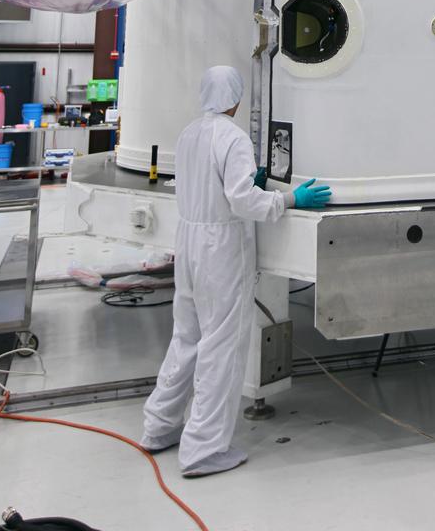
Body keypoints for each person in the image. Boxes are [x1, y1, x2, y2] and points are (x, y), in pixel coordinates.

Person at [140, 65, 332, 477]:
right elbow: (242, 203)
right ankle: (203, 451)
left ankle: (159, 427)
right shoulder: (234, 138)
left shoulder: (189, 133)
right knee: (221, 346)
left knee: (186, 337)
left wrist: (249, 182)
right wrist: (288, 200)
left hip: (189, 242)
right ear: (236, 98)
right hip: (220, 249)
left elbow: (213, 186)